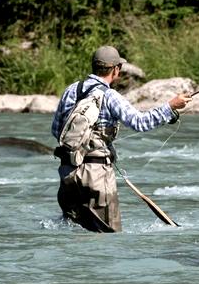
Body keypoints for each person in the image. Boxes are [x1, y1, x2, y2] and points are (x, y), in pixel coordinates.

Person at [51, 45, 191, 232]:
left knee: (74, 233)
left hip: (68, 172)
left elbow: (56, 130)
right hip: (97, 175)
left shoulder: (71, 90)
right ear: (116, 70)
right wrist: (170, 106)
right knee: (109, 238)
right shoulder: (110, 96)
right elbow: (140, 122)